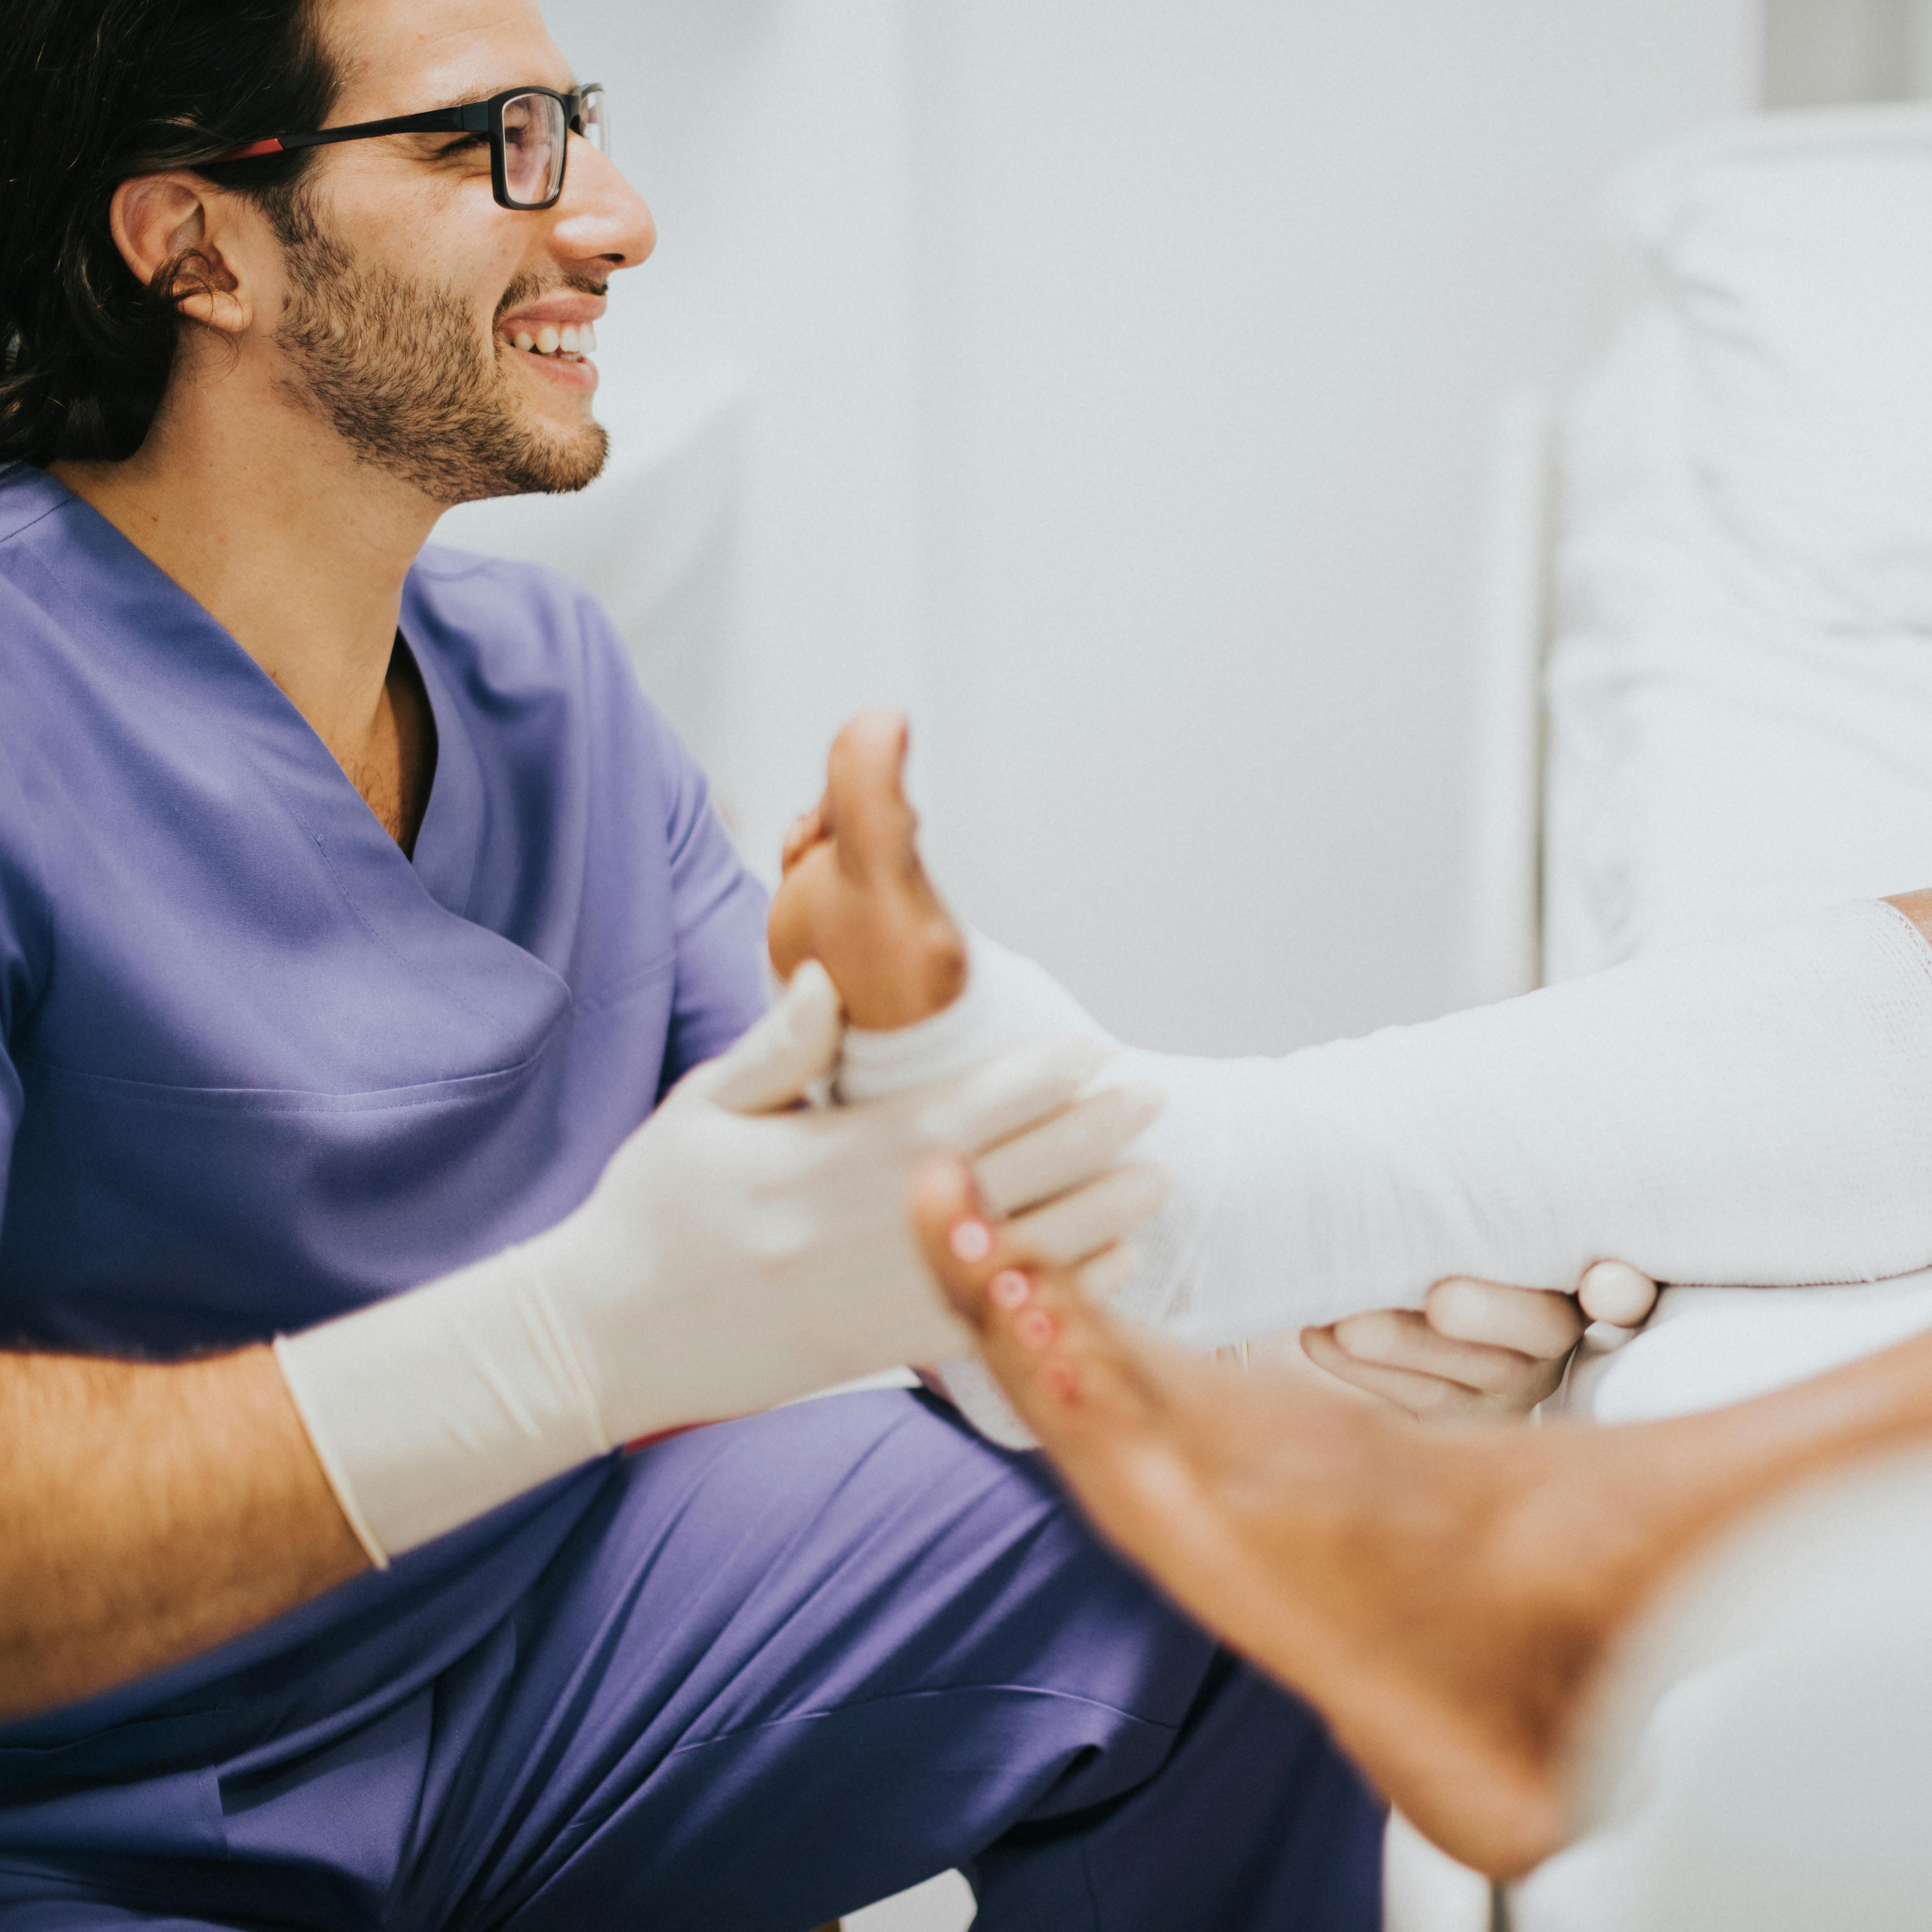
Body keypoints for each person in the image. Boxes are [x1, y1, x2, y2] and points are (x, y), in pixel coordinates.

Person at [0, 4, 1394, 1926]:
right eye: (498, 142)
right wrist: (573, 1345)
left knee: (1238, 1565)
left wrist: (1296, 1322)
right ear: (195, 248)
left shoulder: (549, 696)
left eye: (578, 123)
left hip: (530, 1665)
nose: (619, 220)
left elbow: (881, 1229)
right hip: (86, 1814)